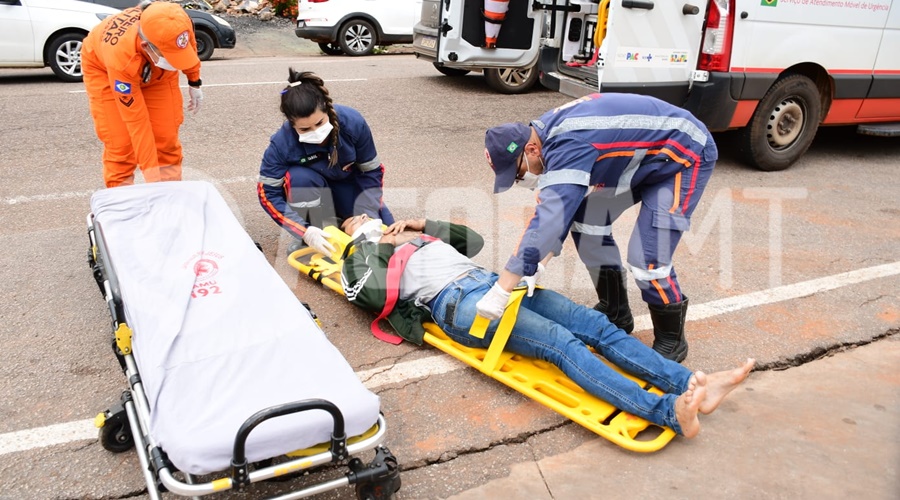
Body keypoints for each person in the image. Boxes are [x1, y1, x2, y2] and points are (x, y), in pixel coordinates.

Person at [339, 215, 755, 438]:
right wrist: (370, 243)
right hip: (456, 303)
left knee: (595, 323)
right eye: (353, 221)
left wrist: (420, 226)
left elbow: (472, 241)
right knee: (563, 343)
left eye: (365, 215)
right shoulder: (359, 253)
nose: (362, 218)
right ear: (348, 234)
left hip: (494, 282)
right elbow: (369, 294)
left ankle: (689, 384)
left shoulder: (411, 235)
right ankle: (667, 412)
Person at [480, 92, 719, 363]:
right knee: (587, 221)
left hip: (684, 155)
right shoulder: (546, 137)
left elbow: (549, 219)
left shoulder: (569, 144)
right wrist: (536, 266)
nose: (522, 181)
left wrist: (502, 289)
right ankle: (616, 311)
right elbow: (561, 214)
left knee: (648, 258)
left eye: (519, 174)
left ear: (531, 150)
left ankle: (671, 338)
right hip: (643, 156)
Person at [258, 69, 395, 256]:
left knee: (388, 231)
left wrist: (366, 214)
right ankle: (318, 229)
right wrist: (304, 231)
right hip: (311, 190)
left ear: (326, 109)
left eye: (320, 123)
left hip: (347, 187)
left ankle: (345, 220)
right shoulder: (282, 143)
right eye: (305, 129)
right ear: (291, 124)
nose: (315, 131)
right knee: (298, 178)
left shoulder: (353, 123)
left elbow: (370, 172)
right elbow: (267, 194)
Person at [81, 1, 204, 188]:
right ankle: (121, 205)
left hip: (156, 73)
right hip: (106, 72)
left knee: (166, 137)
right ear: (147, 46)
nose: (176, 64)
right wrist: (154, 186)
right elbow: (138, 126)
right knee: (122, 146)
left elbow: (189, 45)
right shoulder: (121, 60)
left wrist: (194, 81)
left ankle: (171, 196)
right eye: (170, 57)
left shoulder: (175, 20)